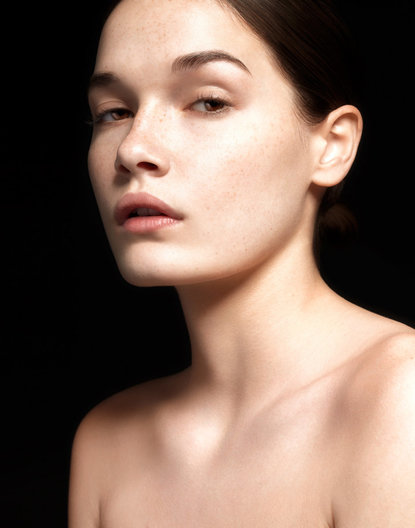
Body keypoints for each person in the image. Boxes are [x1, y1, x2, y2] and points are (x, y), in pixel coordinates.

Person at [69, 0, 415, 525]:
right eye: (114, 112)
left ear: (331, 145)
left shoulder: (400, 401)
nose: (133, 148)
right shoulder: (106, 444)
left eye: (208, 102)